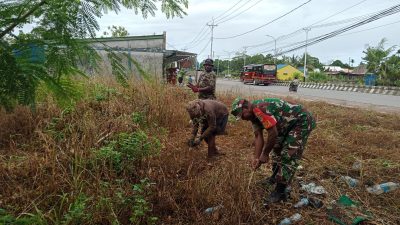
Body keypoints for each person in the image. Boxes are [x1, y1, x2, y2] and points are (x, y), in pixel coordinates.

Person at [230, 97, 316, 205]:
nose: (243, 118)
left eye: (242, 115)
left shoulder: (259, 109)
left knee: (288, 154)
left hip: (301, 121)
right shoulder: (253, 116)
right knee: (277, 150)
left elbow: (273, 133)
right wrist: (256, 158)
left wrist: (265, 154)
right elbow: (258, 137)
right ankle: (275, 177)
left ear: (247, 107)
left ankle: (280, 191)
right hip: (285, 125)